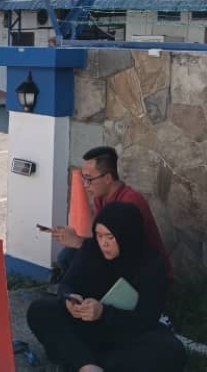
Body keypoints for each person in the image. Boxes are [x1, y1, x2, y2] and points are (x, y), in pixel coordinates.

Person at [28, 202, 187, 372]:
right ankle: (87, 366)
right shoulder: (91, 249)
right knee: (40, 310)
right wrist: (69, 299)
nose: (103, 243)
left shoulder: (150, 265)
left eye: (110, 237)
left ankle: (80, 359)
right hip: (85, 327)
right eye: (99, 235)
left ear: (126, 235)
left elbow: (146, 318)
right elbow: (68, 283)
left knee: (171, 350)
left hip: (124, 334)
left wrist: (103, 313)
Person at [52, 146, 172, 282]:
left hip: (141, 272)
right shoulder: (101, 198)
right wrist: (74, 238)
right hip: (116, 260)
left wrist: (78, 242)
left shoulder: (130, 202)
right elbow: (101, 243)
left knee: (72, 256)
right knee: (68, 255)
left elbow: (119, 251)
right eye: (83, 179)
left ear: (108, 178)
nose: (85, 185)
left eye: (89, 179)